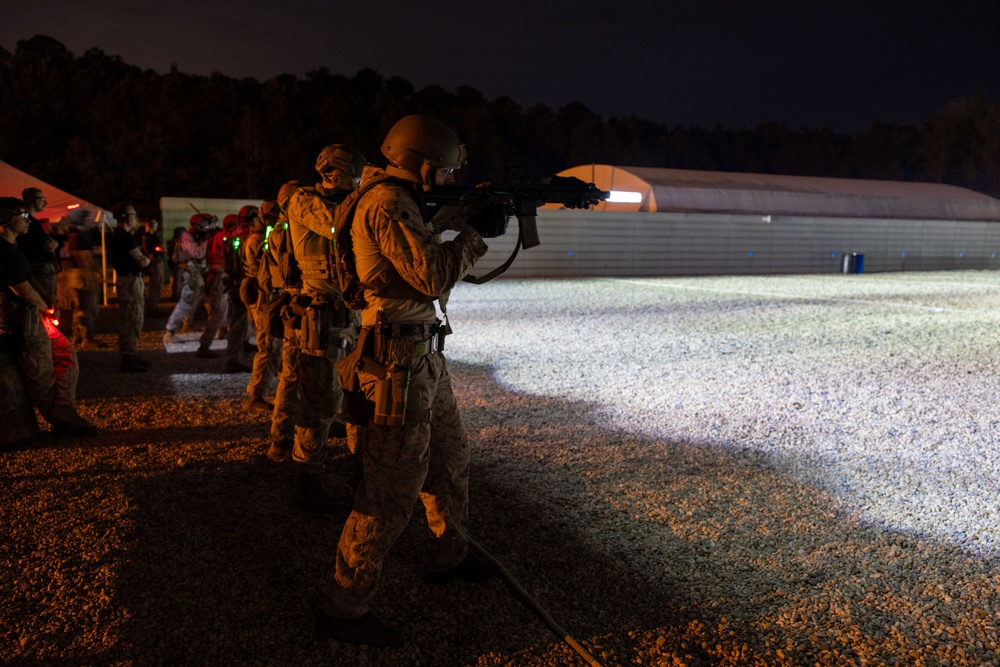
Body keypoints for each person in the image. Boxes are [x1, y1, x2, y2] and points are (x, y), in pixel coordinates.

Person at [316, 116, 498, 646]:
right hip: (396, 363)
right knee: (391, 489)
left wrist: (465, 210)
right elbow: (431, 275)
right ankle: (344, 607)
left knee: (448, 460)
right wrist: (473, 233)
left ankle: (449, 555)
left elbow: (419, 253)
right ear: (420, 163)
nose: (445, 178)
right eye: (441, 169)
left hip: (419, 357)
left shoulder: (397, 197)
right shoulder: (387, 203)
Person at [285, 144, 367, 509]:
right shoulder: (304, 200)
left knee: (358, 395)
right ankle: (308, 478)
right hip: (321, 315)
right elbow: (334, 225)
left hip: (350, 313)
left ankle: (360, 466)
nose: (357, 183)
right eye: (353, 176)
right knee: (320, 400)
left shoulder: (348, 201)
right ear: (332, 173)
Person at [0, 197, 99, 437]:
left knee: (65, 354)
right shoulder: (2, 251)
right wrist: (46, 307)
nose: (28, 221)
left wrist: (47, 301)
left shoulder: (12, 248)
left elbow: (29, 280)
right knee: (41, 372)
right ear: (4, 219)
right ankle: (60, 418)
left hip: (33, 315)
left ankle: (64, 411)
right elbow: (22, 289)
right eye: (23, 216)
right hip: (23, 320)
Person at [242, 201, 281, 409]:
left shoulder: (259, 238)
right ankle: (255, 394)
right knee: (267, 346)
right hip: (264, 297)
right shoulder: (257, 240)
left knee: (274, 347)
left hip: (264, 296)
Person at [111, 205, 152, 373]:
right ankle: (128, 356)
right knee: (132, 317)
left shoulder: (120, 235)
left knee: (133, 316)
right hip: (130, 280)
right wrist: (148, 259)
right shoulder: (125, 236)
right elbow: (141, 260)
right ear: (125, 217)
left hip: (127, 279)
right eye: (133, 216)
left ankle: (131, 353)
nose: (136, 219)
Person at [163, 213, 214, 347]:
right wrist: (209, 241)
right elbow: (197, 253)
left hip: (201, 274)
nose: (208, 228)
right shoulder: (186, 237)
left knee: (212, 302)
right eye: (206, 224)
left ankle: (218, 329)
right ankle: (170, 331)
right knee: (185, 303)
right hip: (193, 274)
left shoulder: (197, 236)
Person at [62, 225, 103, 350]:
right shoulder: (78, 239)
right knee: (86, 309)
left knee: (79, 308)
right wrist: (95, 272)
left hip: (77, 278)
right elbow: (84, 259)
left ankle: (78, 336)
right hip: (83, 279)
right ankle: (87, 338)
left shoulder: (72, 238)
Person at [17, 188, 58, 304]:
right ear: (32, 200)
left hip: (31, 269)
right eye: (42, 198)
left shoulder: (26, 222)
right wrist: (55, 243)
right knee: (45, 302)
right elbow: (49, 246)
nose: (45, 202)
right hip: (40, 271)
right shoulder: (33, 223)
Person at [138, 218, 166, 318]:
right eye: (155, 223)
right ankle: (151, 308)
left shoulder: (149, 236)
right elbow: (155, 249)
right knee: (155, 285)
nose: (156, 225)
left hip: (156, 261)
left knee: (157, 285)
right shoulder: (149, 237)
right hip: (155, 263)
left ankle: (153, 306)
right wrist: (159, 250)